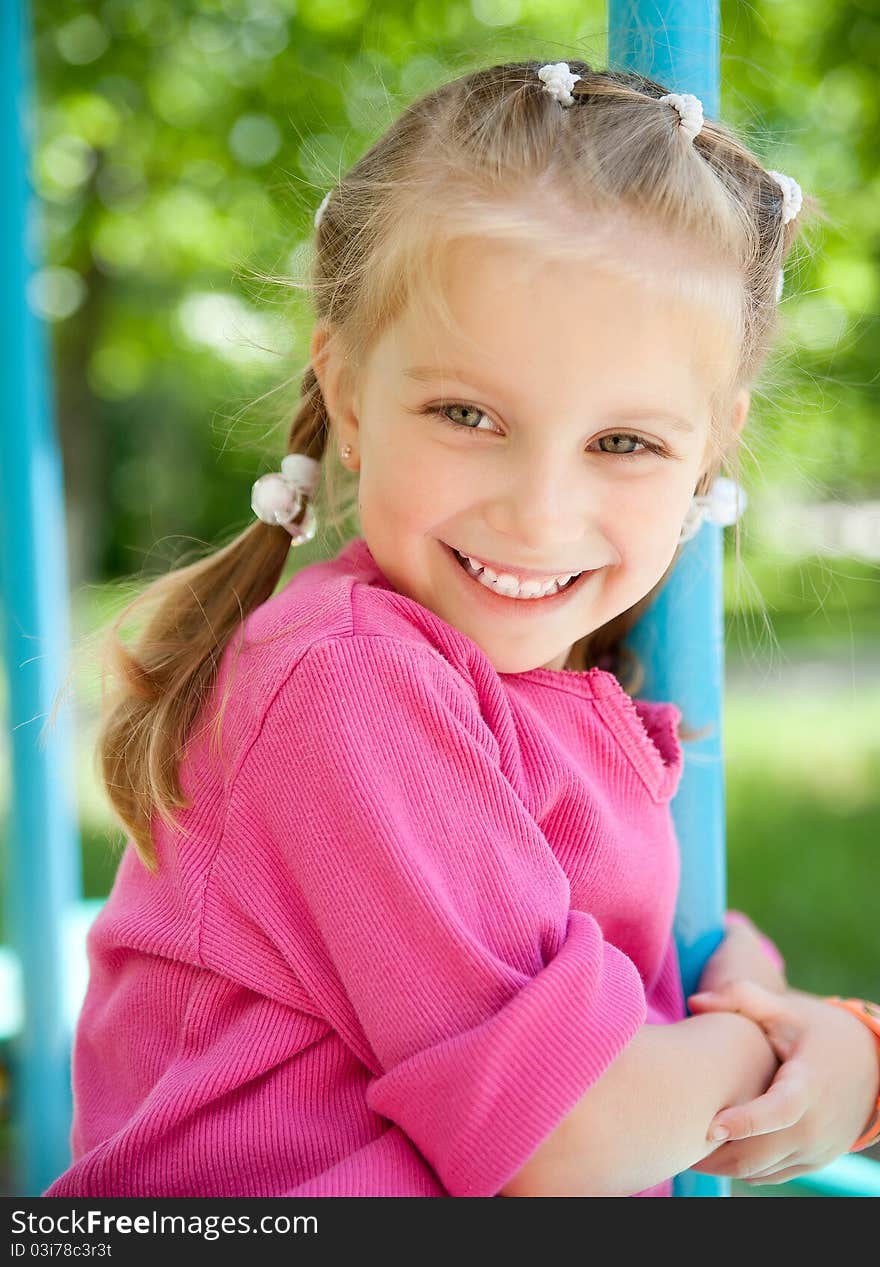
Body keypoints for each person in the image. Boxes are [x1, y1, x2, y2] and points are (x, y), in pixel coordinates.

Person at [43, 58, 879, 1199]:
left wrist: (826, 1032)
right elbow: (570, 1136)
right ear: (346, 397)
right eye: (467, 414)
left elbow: (634, 943)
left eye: (623, 443)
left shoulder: (516, 687)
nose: (538, 511)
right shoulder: (352, 682)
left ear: (709, 446)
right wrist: (770, 1048)